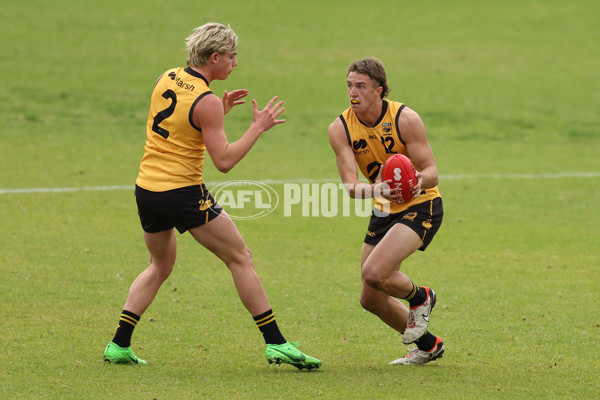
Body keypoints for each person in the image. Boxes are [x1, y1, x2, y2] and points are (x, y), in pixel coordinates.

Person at [103, 22, 321, 370]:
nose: (235, 64)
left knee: (160, 265)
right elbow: (224, 161)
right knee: (240, 258)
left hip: (147, 190)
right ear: (214, 57)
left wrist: (218, 109)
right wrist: (257, 127)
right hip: (183, 193)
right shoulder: (205, 102)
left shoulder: (168, 77)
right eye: (232, 57)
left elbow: (180, 122)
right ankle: (276, 343)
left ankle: (119, 343)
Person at [328, 57, 444, 365]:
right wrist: (376, 191)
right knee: (371, 298)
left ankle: (421, 297)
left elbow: (432, 170)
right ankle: (429, 346)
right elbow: (351, 186)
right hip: (383, 205)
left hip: (422, 204)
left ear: (379, 90)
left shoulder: (405, 119)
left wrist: (419, 180)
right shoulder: (340, 129)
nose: (353, 92)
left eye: (361, 86)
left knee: (374, 272)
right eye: (350, 85)